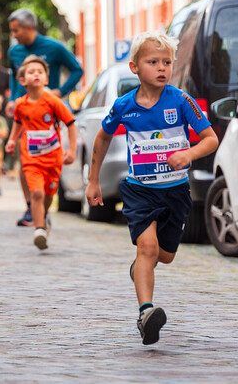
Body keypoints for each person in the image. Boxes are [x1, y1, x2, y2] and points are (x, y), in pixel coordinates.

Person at [85, 32, 218, 345]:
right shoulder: (124, 105)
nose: (162, 68)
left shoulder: (181, 101)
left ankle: (140, 269)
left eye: (167, 62)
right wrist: (93, 180)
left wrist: (188, 154)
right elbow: (103, 137)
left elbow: (211, 138)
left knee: (165, 255)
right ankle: (146, 312)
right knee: (146, 248)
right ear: (135, 67)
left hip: (176, 191)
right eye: (153, 62)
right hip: (140, 189)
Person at [6, 8, 83, 227]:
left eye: (16, 30)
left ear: (29, 27)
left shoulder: (54, 47)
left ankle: (44, 204)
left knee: (48, 156)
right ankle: (31, 207)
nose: (14, 35)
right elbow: (14, 76)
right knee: (25, 160)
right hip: (23, 111)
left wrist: (60, 91)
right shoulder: (14, 52)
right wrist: (13, 98)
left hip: (48, 110)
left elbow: (77, 70)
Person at [5, 56, 77, 250]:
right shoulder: (20, 104)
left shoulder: (53, 101)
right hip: (31, 158)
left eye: (40, 71)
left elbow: (70, 123)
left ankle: (43, 217)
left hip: (53, 158)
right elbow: (19, 123)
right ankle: (39, 230)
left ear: (46, 79)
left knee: (48, 194)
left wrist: (72, 150)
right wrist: (12, 140)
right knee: (36, 192)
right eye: (31, 72)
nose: (36, 74)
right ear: (22, 80)